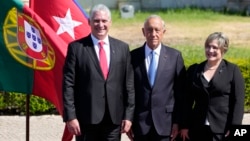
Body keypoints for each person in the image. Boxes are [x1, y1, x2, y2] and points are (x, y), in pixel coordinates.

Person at [62, 4, 135, 141]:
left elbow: (129, 86)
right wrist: (71, 117)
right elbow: (68, 85)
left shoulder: (122, 48)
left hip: (113, 120)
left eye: (104, 21)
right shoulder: (76, 48)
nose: (100, 24)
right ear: (89, 22)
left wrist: (128, 116)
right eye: (96, 20)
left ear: (110, 22)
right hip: (86, 120)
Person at [128, 15, 186, 141]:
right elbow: (127, 91)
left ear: (163, 32)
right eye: (149, 30)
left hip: (166, 124)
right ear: (143, 32)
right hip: (140, 125)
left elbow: (181, 93)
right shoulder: (133, 57)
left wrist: (178, 122)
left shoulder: (174, 57)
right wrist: (128, 119)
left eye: (157, 30)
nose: (153, 34)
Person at [180, 32, 245, 141]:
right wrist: (184, 125)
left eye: (214, 47)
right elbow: (186, 101)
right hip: (197, 128)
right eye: (208, 46)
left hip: (223, 129)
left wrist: (235, 128)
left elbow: (238, 101)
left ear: (223, 50)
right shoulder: (194, 70)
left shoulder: (233, 70)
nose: (210, 51)